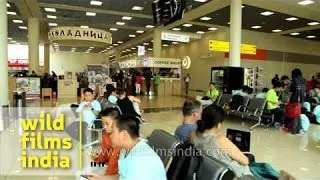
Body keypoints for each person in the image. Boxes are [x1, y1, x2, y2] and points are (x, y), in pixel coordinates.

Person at [87, 114, 167, 180]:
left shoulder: (139, 162)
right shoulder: (126, 149)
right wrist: (100, 178)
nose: (110, 136)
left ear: (123, 135)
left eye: (113, 132)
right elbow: (122, 176)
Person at [190, 104, 254, 178]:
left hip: (206, 174)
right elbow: (245, 161)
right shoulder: (220, 140)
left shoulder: (192, 134)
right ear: (218, 124)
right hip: (235, 176)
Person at [89, 108, 121, 176]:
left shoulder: (120, 139)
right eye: (103, 124)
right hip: (108, 163)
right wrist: (96, 162)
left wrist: (106, 176)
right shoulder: (105, 135)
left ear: (117, 122)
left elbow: (114, 160)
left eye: (107, 124)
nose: (104, 127)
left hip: (118, 170)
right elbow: (104, 153)